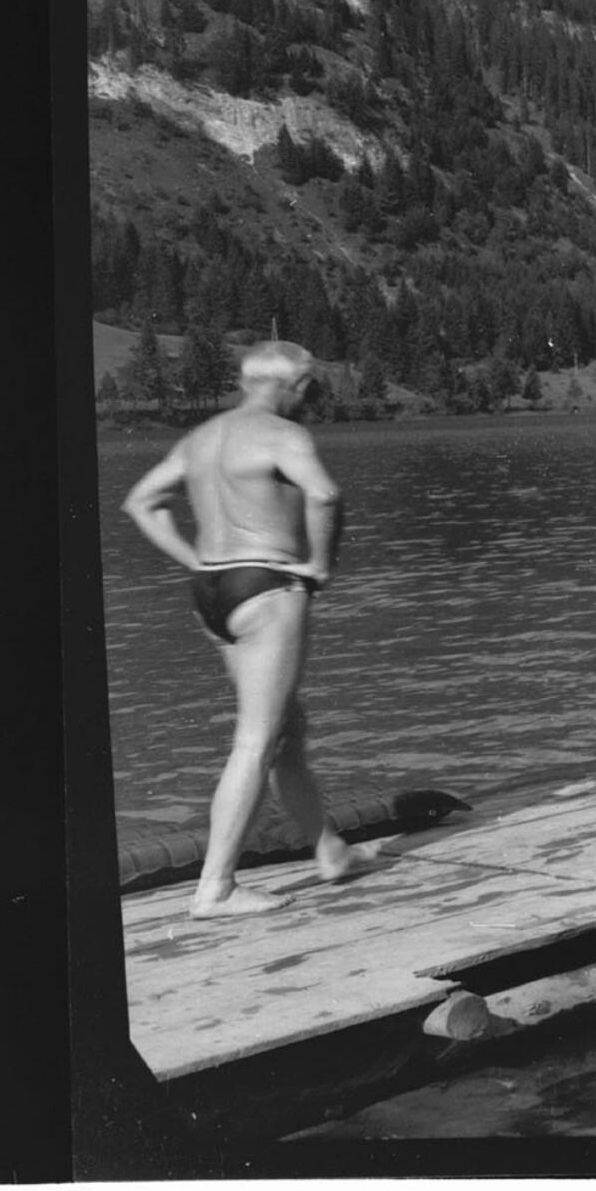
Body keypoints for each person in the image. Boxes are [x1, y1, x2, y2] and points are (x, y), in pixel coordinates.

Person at [116, 338, 377, 919]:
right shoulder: (284, 435)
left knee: (286, 726)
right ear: (298, 387)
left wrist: (192, 559)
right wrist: (320, 564)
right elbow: (325, 494)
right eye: (309, 388)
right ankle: (216, 888)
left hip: (212, 590)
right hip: (267, 588)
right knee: (256, 739)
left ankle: (328, 849)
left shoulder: (202, 437)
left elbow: (141, 501)